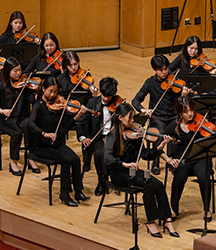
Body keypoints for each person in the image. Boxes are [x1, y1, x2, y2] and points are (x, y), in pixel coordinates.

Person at [104, 102, 179, 238]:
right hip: (119, 173)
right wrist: (125, 164)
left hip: (133, 171)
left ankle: (167, 219)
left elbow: (145, 155)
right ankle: (150, 222)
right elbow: (107, 159)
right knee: (147, 186)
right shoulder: (113, 136)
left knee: (158, 184)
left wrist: (159, 146)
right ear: (120, 118)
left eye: (133, 118)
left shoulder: (135, 135)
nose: (133, 121)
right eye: (130, 118)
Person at [28, 76, 90, 207]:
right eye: (50, 91)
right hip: (41, 146)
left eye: (55, 92)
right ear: (43, 89)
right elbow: (31, 124)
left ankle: (78, 191)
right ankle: (64, 194)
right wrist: (45, 134)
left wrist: (78, 115)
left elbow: (65, 126)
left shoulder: (58, 107)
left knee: (76, 159)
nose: (53, 95)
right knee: (66, 160)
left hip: (56, 144)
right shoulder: (38, 106)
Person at [132, 54, 189, 175]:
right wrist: (143, 110)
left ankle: (175, 162)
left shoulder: (175, 81)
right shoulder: (150, 83)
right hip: (158, 117)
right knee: (160, 133)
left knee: (179, 132)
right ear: (154, 70)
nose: (164, 72)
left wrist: (183, 96)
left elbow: (182, 103)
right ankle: (155, 161)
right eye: (160, 70)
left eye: (166, 69)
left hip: (174, 116)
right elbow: (135, 100)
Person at [158, 96, 212, 222]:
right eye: (185, 111)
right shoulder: (173, 126)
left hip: (201, 158)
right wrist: (168, 160)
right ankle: (174, 209)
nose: (190, 114)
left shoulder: (200, 121)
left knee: (204, 177)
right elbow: (158, 147)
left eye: (191, 110)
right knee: (180, 176)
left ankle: (206, 208)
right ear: (179, 112)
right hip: (183, 160)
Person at [0, 56, 40, 176]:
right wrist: (1, 110)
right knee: (16, 133)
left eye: (20, 70)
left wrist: (39, 93)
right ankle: (13, 161)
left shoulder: (24, 85)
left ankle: (31, 157)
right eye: (15, 71)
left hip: (22, 118)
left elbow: (31, 99)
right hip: (5, 120)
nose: (18, 73)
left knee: (31, 127)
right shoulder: (1, 85)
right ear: (8, 71)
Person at [76, 77, 118, 196]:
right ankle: (102, 182)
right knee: (100, 153)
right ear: (99, 91)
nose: (105, 99)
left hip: (114, 136)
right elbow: (80, 123)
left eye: (109, 96)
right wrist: (83, 137)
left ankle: (119, 181)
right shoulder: (92, 103)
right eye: (104, 95)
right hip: (99, 137)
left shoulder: (118, 103)